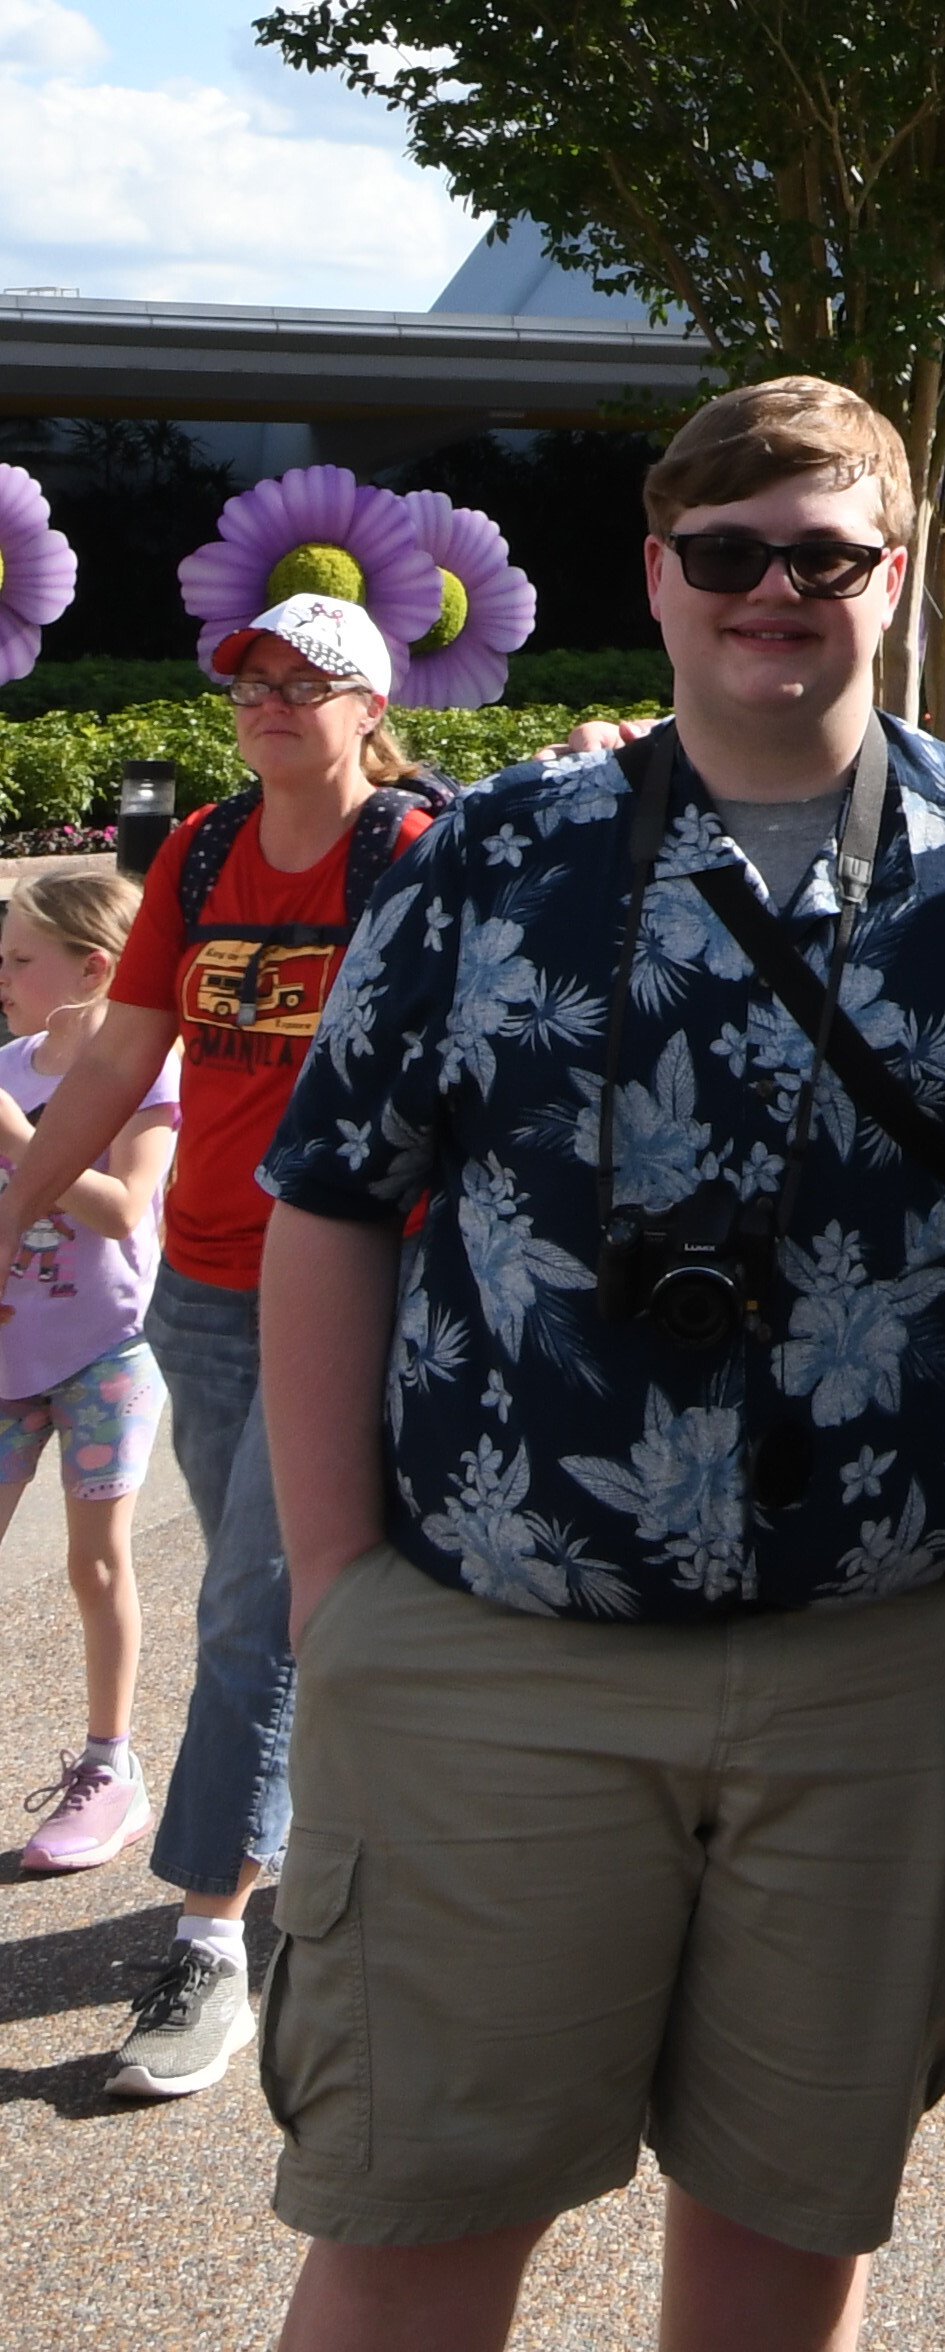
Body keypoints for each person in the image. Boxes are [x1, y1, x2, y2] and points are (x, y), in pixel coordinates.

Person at [249, 373, 945, 2352]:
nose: (774, 593)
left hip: (879, 1662)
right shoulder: (488, 856)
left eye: (824, 555)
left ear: (897, 577)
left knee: (784, 2220)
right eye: (728, 554)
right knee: (410, 2221)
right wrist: (335, 1594)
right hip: (502, 1649)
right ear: (655, 576)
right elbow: (327, 1199)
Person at [0, 584, 441, 2103]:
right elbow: (125, 1053)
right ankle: (346, 1851)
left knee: (251, 1598)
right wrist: (16, 1210)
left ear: (371, 708)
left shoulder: (410, 857)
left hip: (352, 1280)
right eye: (249, 675)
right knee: (300, 1593)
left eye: (302, 678)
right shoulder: (194, 853)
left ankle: (206, 1935)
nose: (266, 698)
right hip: (200, 1281)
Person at [0, 860, 181, 1875]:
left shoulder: (145, 1071)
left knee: (95, 1560)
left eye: (21, 958)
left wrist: (20, 1135)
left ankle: (111, 1770)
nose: (3, 975)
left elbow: (124, 1213)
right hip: (8, 1349)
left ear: (91, 968)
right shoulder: (10, 1064)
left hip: (107, 1349)